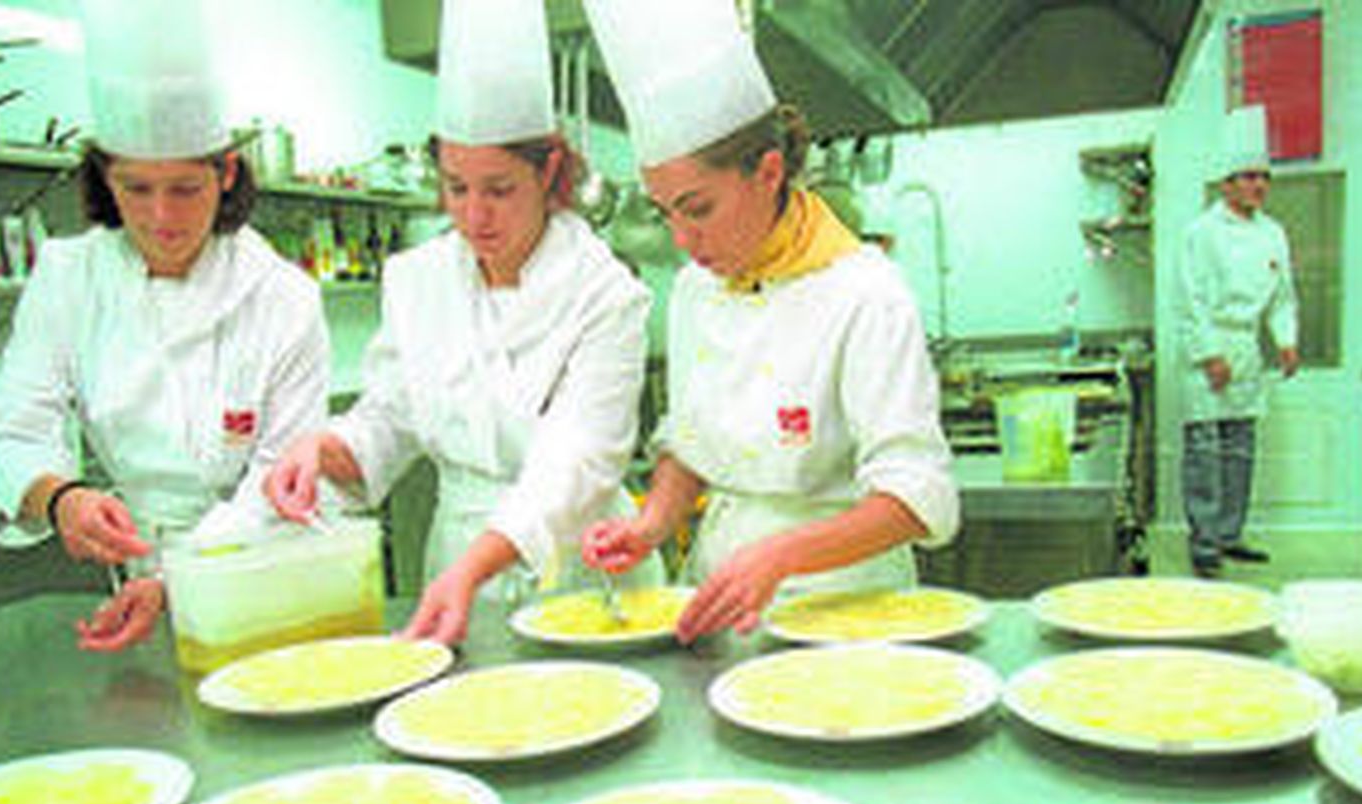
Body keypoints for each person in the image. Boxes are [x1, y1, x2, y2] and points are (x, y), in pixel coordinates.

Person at [264, 0, 657, 645]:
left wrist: (479, 562)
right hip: (454, 573)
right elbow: (389, 420)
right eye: (456, 187)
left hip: (582, 573)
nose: (475, 216)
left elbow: (578, 459)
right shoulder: (417, 281)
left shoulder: (606, 293)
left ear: (549, 173)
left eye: (499, 189)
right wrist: (321, 449)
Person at [579, 0, 958, 644]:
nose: (682, 241)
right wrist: (651, 524)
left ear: (769, 171)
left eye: (697, 209)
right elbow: (692, 441)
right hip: (719, 594)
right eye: (665, 211)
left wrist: (781, 554)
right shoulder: (698, 288)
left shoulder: (865, 293)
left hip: (851, 607)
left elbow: (918, 499)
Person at [0, 0, 329, 651]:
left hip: (261, 569)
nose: (161, 217)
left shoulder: (283, 296)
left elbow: (278, 474)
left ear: (225, 174)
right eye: (136, 189)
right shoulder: (68, 277)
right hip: (133, 581)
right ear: (106, 178)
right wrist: (62, 498)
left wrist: (179, 577)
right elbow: (12, 428)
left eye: (185, 189)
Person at [1176, 104, 1299, 577]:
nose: (1258, 186)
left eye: (1263, 177)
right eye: (1248, 177)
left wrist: (1285, 340)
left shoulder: (1274, 233)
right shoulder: (1201, 233)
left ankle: (1230, 533)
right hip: (1209, 350)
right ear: (1226, 183)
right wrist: (1208, 355)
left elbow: (1284, 295)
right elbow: (1190, 301)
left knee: (1240, 448)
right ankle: (1204, 540)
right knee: (1205, 452)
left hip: (1247, 349)